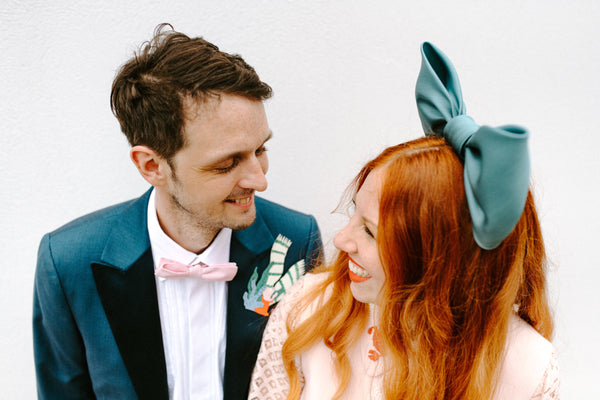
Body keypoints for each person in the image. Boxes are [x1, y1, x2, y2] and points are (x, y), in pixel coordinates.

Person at [248, 43, 559, 400]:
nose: (340, 241)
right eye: (354, 214)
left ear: (440, 260)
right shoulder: (306, 309)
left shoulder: (527, 368)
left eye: (369, 232)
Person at [33, 24, 323, 400]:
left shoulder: (296, 241)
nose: (259, 180)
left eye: (260, 150)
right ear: (152, 165)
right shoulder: (68, 261)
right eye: (228, 162)